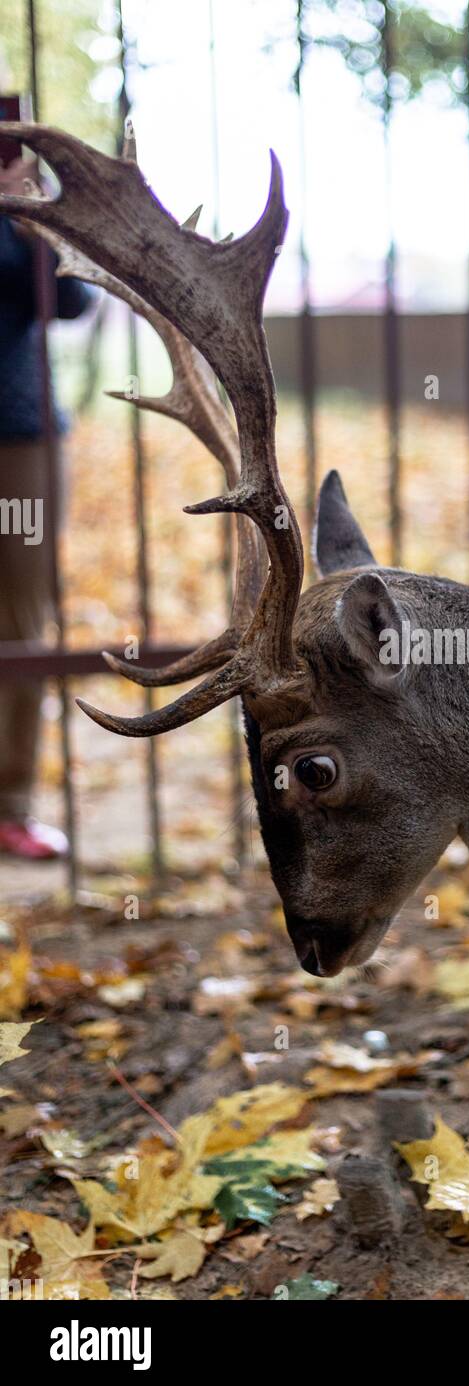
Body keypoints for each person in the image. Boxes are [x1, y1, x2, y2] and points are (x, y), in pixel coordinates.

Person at [0, 154, 93, 859]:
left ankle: (10, 803)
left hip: (17, 440)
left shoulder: (20, 209)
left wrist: (31, 213)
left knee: (19, 617)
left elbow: (71, 300)